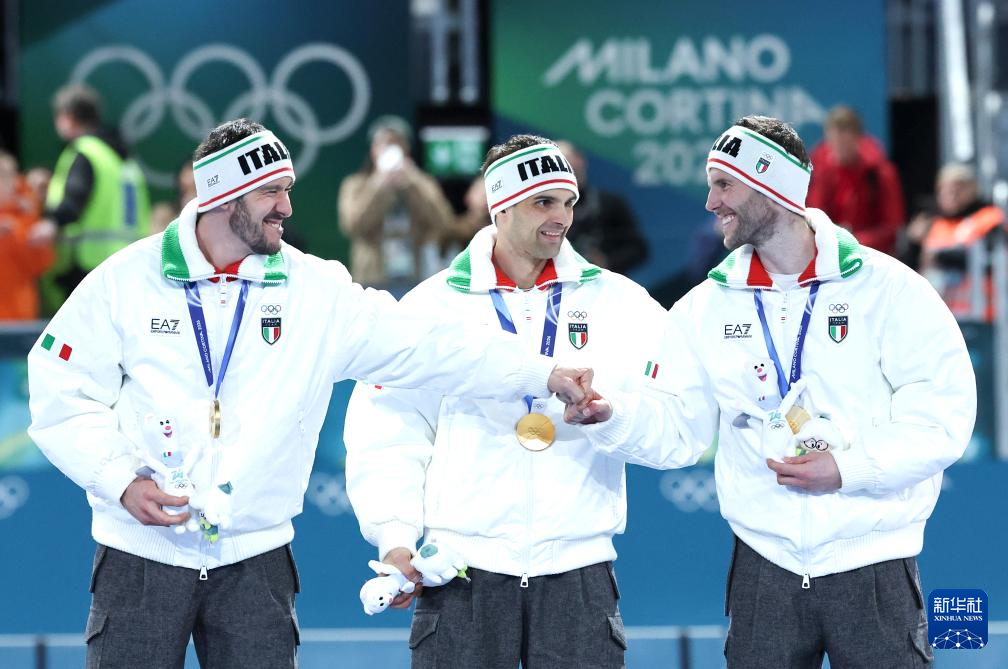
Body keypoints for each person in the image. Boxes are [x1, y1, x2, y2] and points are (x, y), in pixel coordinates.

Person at [27, 118, 591, 669]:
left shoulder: (316, 290)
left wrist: (538, 374)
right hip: (139, 557)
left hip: (256, 562)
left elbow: (431, 346)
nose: (287, 207)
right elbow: (59, 389)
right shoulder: (126, 280)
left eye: (288, 189)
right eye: (271, 191)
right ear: (222, 195)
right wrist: (118, 480)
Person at [569, 116, 976, 668]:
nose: (710, 202)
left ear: (772, 185)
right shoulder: (703, 308)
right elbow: (678, 432)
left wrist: (848, 470)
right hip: (764, 571)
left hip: (874, 561)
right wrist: (611, 415)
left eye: (724, 185)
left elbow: (942, 419)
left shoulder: (891, 290)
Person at [344, 135, 673, 669]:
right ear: (500, 205)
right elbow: (388, 435)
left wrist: (614, 418)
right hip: (460, 573)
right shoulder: (432, 307)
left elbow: (677, 428)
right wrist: (395, 537)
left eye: (568, 202)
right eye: (543, 202)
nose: (561, 217)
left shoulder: (622, 305)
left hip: (578, 573)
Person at [40, 83, 151, 308]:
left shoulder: (86, 151)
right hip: (129, 262)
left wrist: (49, 223)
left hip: (88, 265)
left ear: (68, 117)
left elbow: (74, 201)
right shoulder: (124, 160)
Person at [337, 115, 455, 292]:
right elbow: (352, 225)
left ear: (406, 149)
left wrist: (412, 181)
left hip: (415, 279)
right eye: (384, 144)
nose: (391, 149)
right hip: (372, 280)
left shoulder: (422, 183)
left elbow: (443, 223)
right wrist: (379, 184)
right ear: (373, 150)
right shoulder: (356, 185)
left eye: (397, 143)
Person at [903, 163, 1005, 320]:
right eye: (944, 190)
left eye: (958, 189)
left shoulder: (989, 218)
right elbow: (911, 269)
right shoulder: (933, 224)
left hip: (981, 314)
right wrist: (913, 244)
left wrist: (940, 257)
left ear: (973, 190)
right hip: (940, 316)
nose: (951, 195)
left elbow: (990, 260)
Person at [806, 105, 906, 256]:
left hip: (871, 256)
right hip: (830, 254)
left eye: (844, 142)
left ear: (858, 139)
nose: (838, 150)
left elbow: (892, 226)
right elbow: (813, 219)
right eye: (833, 143)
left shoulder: (879, 173)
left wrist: (853, 241)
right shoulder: (819, 172)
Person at [555, 140, 648, 274]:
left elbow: (638, 249)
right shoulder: (544, 209)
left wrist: (606, 261)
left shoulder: (610, 203)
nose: (564, 169)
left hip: (602, 280)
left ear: (580, 160)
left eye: (566, 162)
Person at [0, 150, 55, 320]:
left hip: (20, 316)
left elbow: (41, 264)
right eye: (3, 176)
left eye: (11, 174)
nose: (12, 182)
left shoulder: (25, 217)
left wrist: (19, 232)